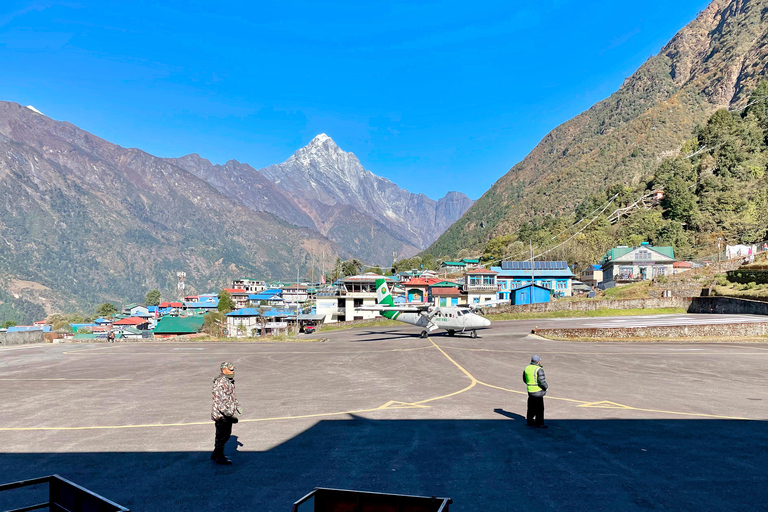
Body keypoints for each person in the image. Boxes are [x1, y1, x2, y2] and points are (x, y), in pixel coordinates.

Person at [211, 362, 242, 465]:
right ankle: (219, 456)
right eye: (231, 370)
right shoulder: (220, 383)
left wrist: (237, 405)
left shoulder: (229, 381)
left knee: (223, 435)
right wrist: (228, 414)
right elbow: (219, 401)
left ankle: (216, 453)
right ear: (224, 370)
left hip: (227, 413)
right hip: (221, 415)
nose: (233, 372)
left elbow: (232, 396)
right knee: (223, 435)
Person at [523, 355, 548, 428]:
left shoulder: (527, 368)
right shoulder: (538, 369)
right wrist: (546, 387)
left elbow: (524, 379)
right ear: (538, 361)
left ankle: (530, 421)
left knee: (531, 407)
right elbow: (541, 381)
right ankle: (539, 423)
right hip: (538, 391)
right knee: (540, 408)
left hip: (530, 390)